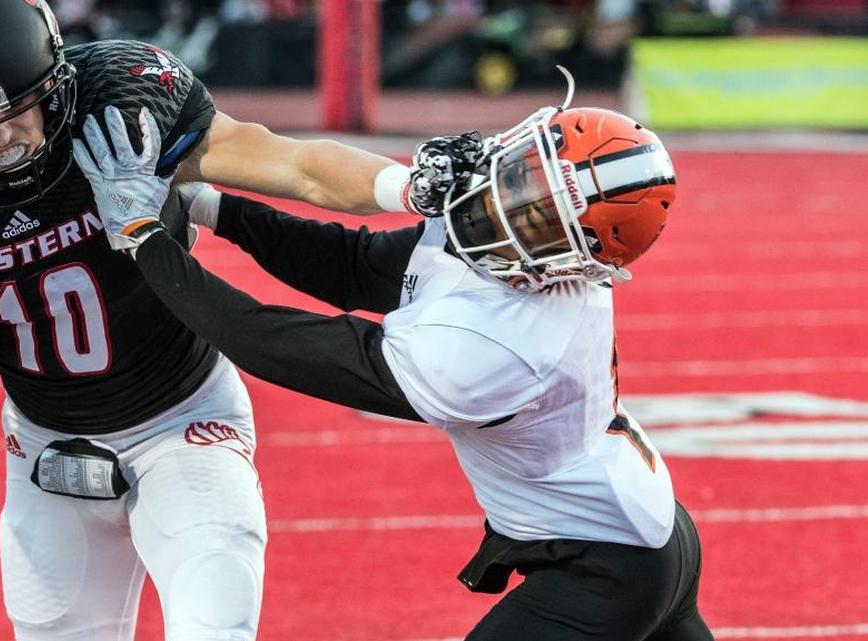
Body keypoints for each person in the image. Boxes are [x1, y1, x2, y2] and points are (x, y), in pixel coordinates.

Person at [0, 1, 449, 640]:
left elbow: (287, 163)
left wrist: (409, 187)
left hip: (184, 420)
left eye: (17, 109)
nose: (2, 141)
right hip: (47, 445)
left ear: (56, 83)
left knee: (215, 629)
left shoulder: (120, 105)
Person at [79, 95, 715, 639]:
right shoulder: (510, 251)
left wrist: (142, 236)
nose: (511, 204)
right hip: (647, 525)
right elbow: (353, 265)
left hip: (606, 567)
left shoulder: (497, 352)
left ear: (574, 262)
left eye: (542, 216)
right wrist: (209, 206)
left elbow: (265, 340)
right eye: (526, 175)